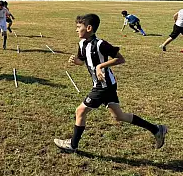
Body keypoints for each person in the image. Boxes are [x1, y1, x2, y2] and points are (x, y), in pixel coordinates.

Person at [54, 13, 167, 152]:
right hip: (105, 85)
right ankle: (156, 129)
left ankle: (73, 145)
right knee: (119, 116)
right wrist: (75, 61)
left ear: (89, 28)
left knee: (80, 111)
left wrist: (101, 66)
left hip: (103, 86)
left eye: (79, 27)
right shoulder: (82, 44)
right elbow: (82, 61)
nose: (76, 30)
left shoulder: (101, 44)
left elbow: (120, 59)